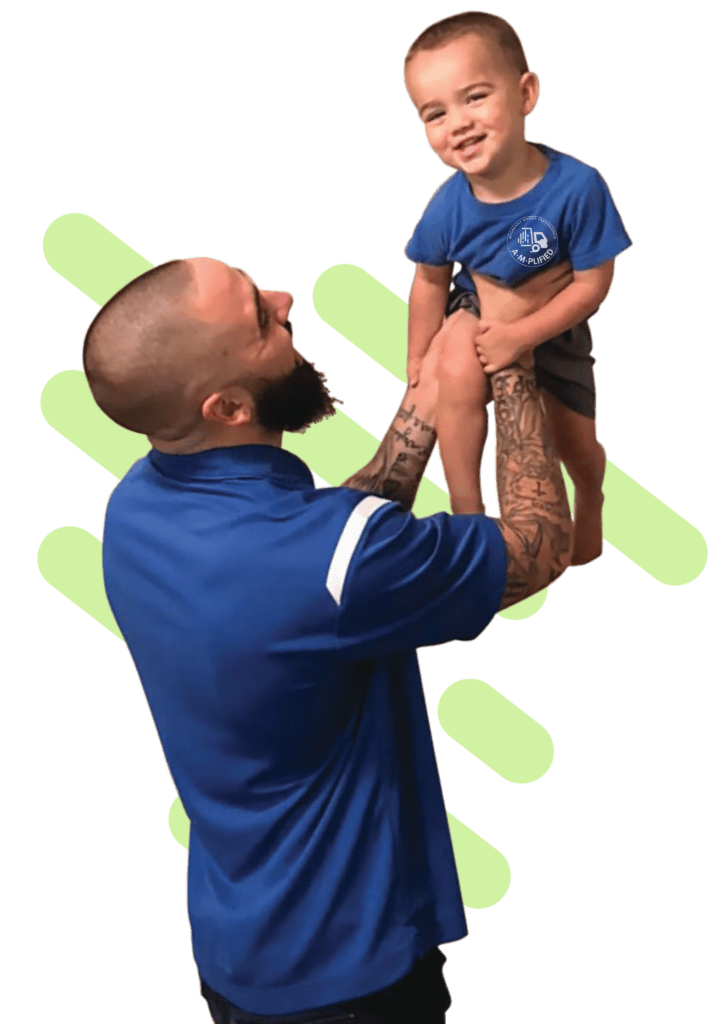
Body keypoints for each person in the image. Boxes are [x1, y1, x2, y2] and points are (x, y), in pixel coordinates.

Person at [82, 255, 572, 1023]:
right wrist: (508, 364)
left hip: (239, 948)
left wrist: (422, 401)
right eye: (258, 319)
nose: (284, 300)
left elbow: (328, 558)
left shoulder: (137, 509)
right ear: (229, 406)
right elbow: (540, 545)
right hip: (350, 979)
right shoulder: (326, 561)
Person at [403, 9, 633, 566]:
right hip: (476, 313)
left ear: (526, 92)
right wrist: (416, 360)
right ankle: (468, 514)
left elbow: (593, 283)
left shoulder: (577, 185)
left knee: (573, 444)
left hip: (556, 331)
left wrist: (524, 333)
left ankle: (592, 500)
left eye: (475, 97)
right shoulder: (447, 204)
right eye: (435, 113)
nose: (457, 122)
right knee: (455, 365)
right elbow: (429, 280)